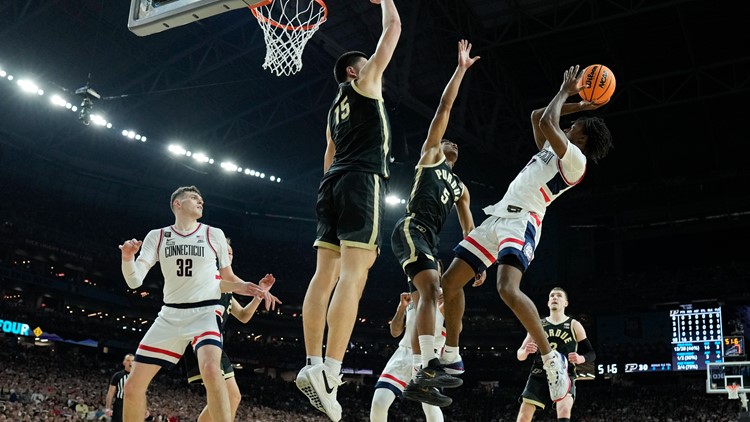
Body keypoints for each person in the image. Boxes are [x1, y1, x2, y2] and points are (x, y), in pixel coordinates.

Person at [439, 65, 614, 403]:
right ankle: (451, 355)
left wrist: (566, 90)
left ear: (580, 138)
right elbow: (538, 116)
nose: (567, 124)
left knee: (506, 287)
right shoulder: (555, 148)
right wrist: (582, 105)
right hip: (498, 218)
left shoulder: (576, 160)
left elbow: (548, 121)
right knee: (449, 282)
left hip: (524, 221)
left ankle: (551, 361)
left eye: (573, 125)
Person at [295, 0, 401, 420]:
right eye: (367, 63)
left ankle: (312, 364)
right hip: (362, 181)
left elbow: (328, 154)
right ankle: (332, 373)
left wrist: (330, 187)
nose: (375, 67)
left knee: (324, 276)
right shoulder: (365, 82)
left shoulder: (332, 111)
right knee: (356, 275)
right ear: (355, 71)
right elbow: (392, 29)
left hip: (332, 184)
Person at [118, 185, 280, 422]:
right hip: (170, 315)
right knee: (132, 387)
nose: (200, 201)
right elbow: (134, 281)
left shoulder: (213, 233)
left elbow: (227, 277)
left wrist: (249, 288)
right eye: (194, 198)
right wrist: (127, 258)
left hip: (204, 313)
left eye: (201, 199)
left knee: (213, 371)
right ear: (177, 204)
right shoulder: (158, 235)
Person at [388, 39, 484, 405]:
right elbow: (445, 106)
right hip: (411, 228)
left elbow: (468, 229)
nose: (452, 143)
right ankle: (429, 363)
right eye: (449, 141)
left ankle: (425, 369)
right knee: (430, 292)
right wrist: (460, 70)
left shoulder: (461, 188)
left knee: (439, 293)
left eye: (456, 144)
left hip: (430, 240)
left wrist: (477, 261)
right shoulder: (430, 156)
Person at [182, 238, 277, 422]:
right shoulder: (206, 278)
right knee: (230, 396)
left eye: (231, 252)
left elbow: (243, 315)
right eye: (225, 251)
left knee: (228, 398)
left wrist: (259, 295)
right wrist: (253, 289)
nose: (229, 254)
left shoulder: (227, 290)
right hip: (201, 340)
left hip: (214, 344)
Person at [516, 287, 595, 422]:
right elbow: (519, 355)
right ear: (548, 303)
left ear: (566, 303)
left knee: (564, 409)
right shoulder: (538, 324)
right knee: (523, 415)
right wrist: (525, 351)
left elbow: (591, 353)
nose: (554, 298)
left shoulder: (574, 325)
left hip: (565, 373)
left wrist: (581, 358)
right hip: (539, 373)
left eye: (559, 296)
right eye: (552, 296)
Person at [370, 290, 446, 421]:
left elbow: (458, 328)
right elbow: (395, 332)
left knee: (430, 406)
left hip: (429, 353)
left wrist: (448, 309)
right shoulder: (411, 294)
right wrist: (401, 308)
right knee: (379, 403)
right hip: (403, 352)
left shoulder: (445, 293)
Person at [105, 353, 134, 422]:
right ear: (124, 362)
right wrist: (108, 408)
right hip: (120, 403)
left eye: (132, 361)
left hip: (133, 404)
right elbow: (110, 392)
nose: (130, 363)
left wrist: (144, 409)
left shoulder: (138, 376)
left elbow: (141, 393)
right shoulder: (118, 375)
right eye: (128, 360)